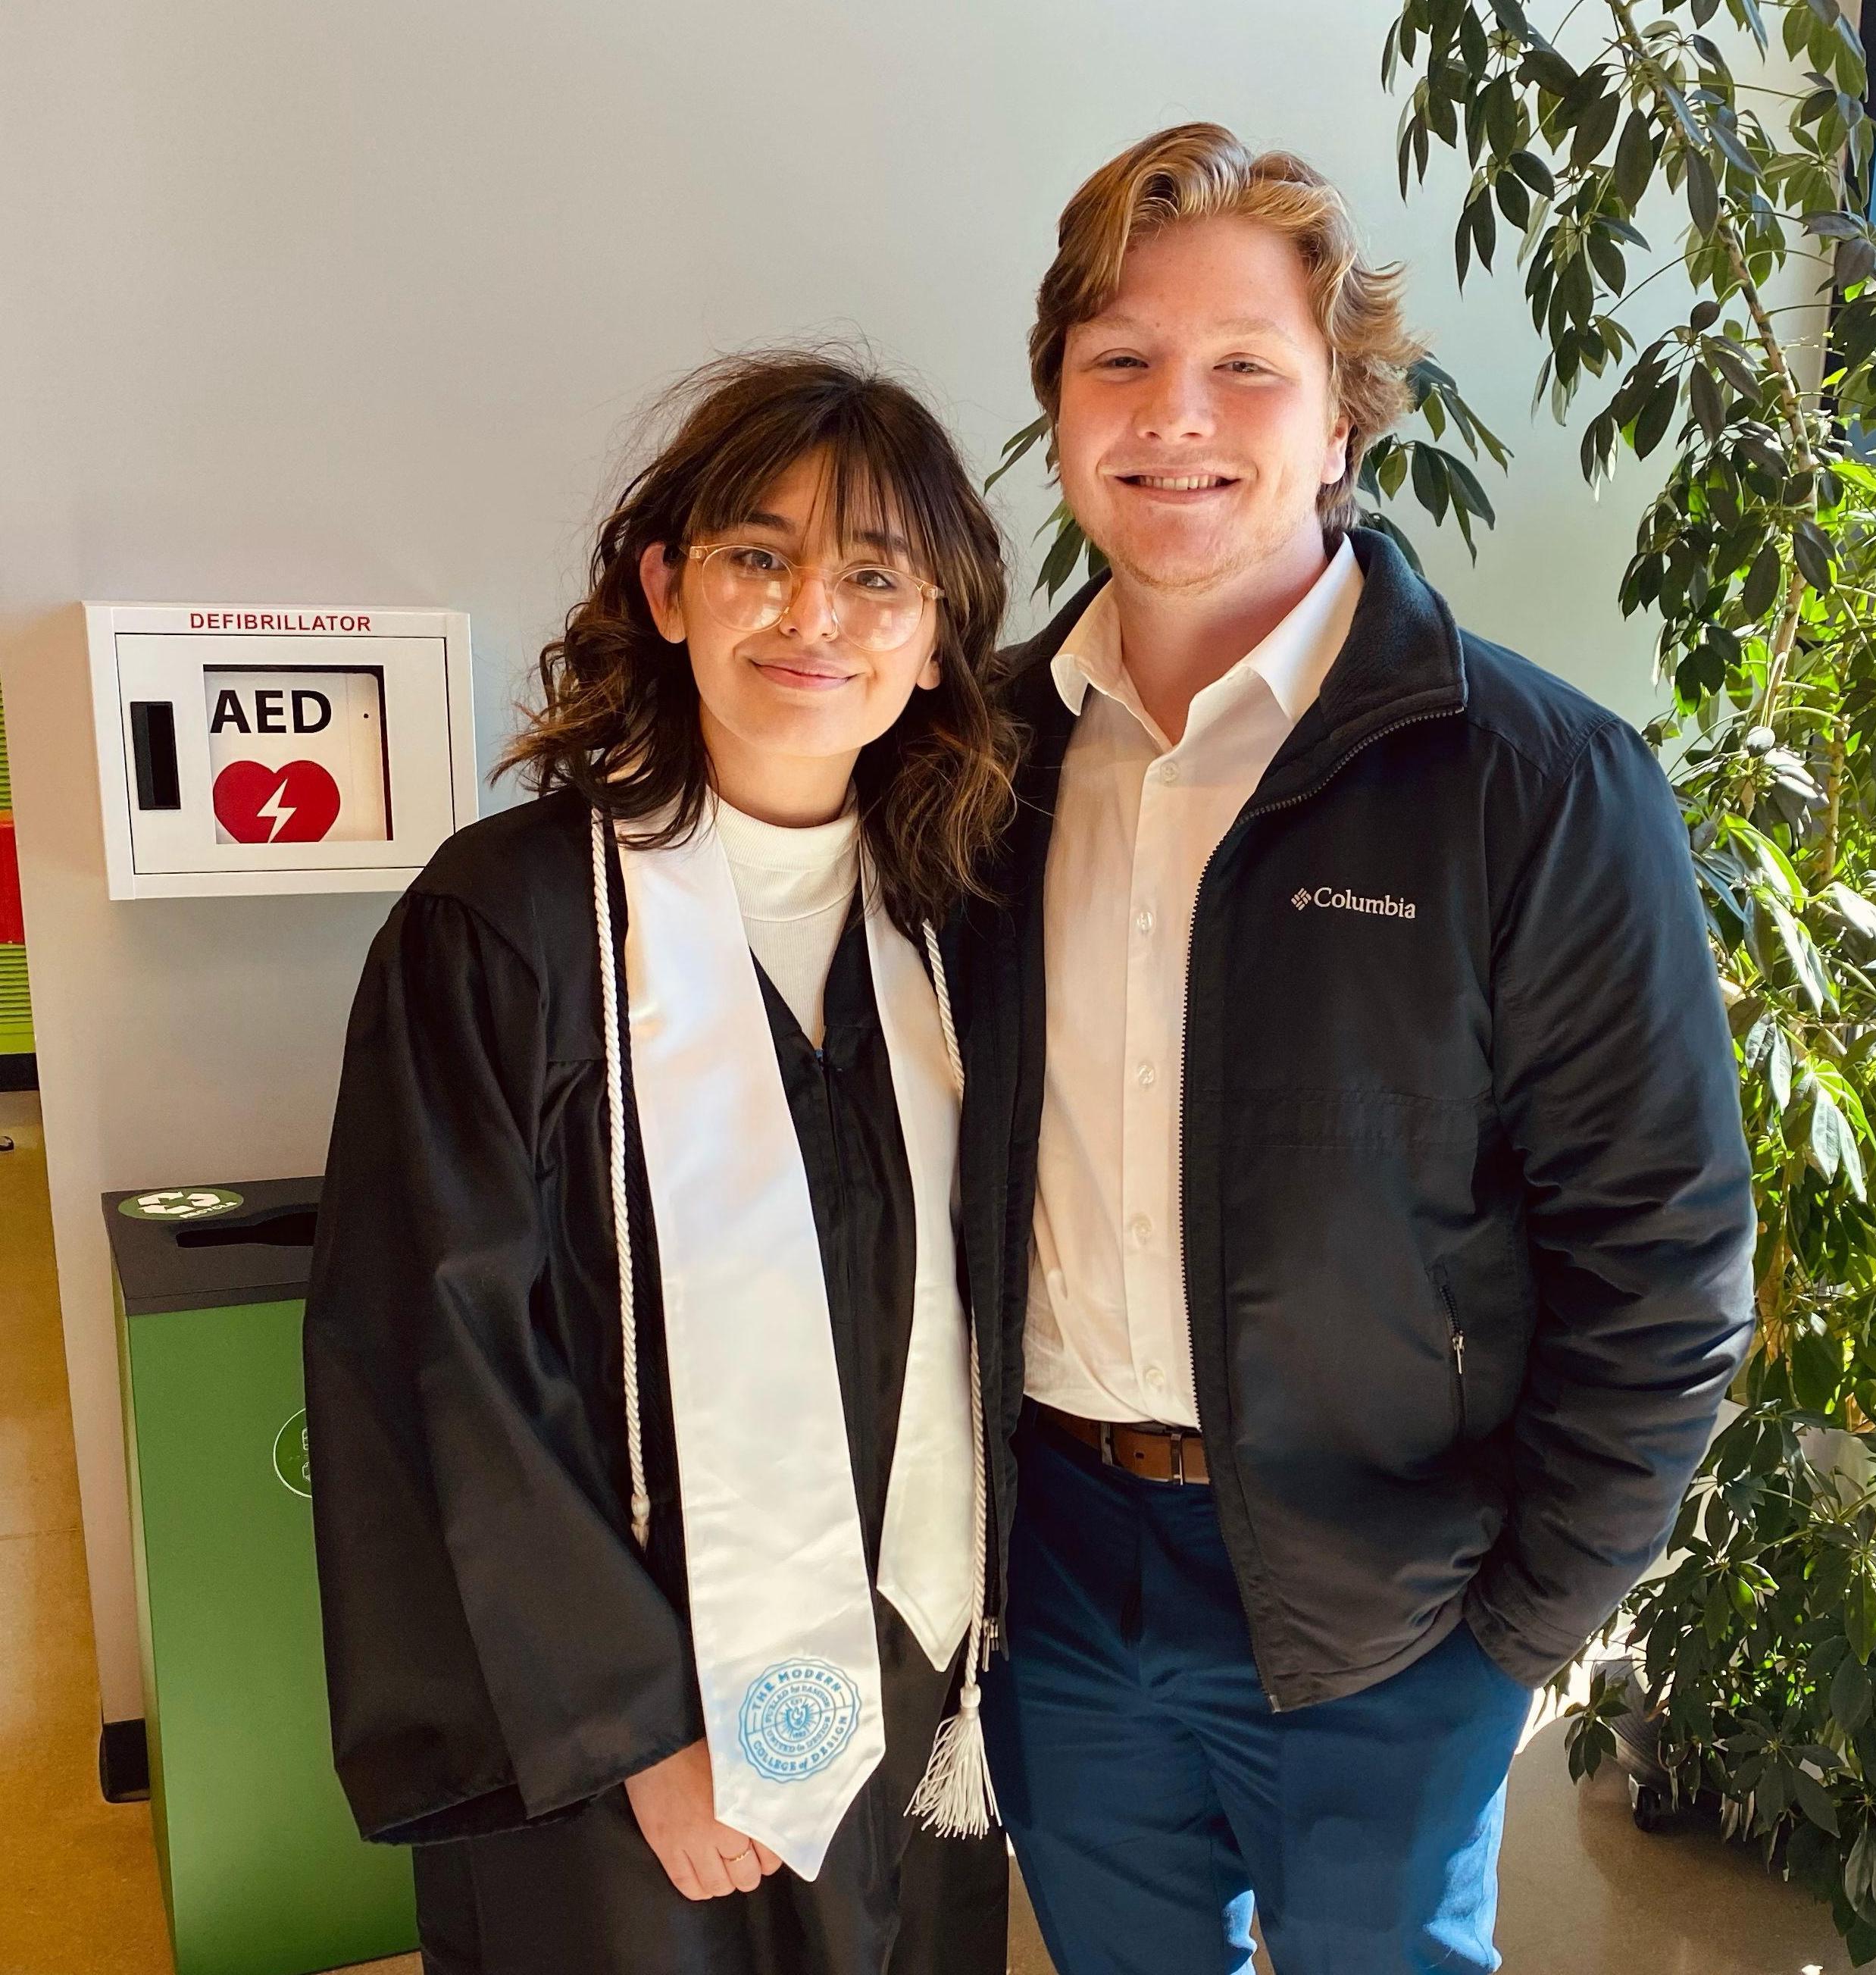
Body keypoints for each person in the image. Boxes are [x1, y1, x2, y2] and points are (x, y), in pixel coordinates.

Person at [956, 124, 1759, 1973]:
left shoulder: (1533, 783)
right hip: (1056, 1581)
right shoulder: (979, 763)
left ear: (1341, 421)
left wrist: (1513, 1639)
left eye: (1247, 364)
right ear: (1061, 404)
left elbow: (1663, 1263)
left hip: (1389, 1608)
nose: (1178, 413)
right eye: (1121, 358)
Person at [303, 349, 1018, 1975]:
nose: (811, 613)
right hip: (618, 1716)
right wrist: (631, 1726)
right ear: (666, 588)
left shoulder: (961, 931)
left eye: (875, 576)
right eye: (759, 554)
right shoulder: (506, 928)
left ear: (934, 639)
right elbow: (440, 1351)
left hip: (914, 1672)